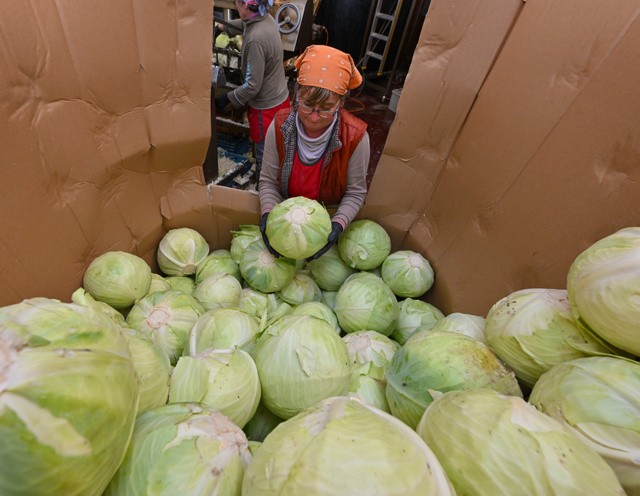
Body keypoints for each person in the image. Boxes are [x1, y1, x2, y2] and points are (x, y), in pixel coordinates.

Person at [259, 45, 370, 261]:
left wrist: (338, 225)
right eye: (307, 105)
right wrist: (268, 214)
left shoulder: (356, 137)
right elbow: (268, 181)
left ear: (341, 103)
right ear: (295, 94)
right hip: (287, 226)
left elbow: (356, 193)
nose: (314, 117)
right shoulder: (279, 126)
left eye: (326, 108)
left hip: (327, 222)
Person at [214, 0, 290, 184]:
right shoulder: (266, 19)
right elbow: (247, 25)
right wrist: (223, 27)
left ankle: (265, 189)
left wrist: (226, 98)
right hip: (280, 98)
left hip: (266, 108)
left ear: (245, 6)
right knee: (276, 148)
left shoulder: (256, 40)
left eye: (237, 3)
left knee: (266, 154)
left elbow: (252, 86)